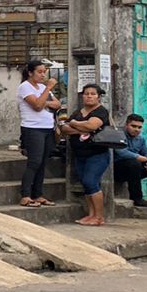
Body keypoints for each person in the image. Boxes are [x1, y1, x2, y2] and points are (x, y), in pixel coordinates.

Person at [56, 83, 112, 226]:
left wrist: (75, 124)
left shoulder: (101, 111)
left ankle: (99, 216)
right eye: (86, 94)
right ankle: (91, 214)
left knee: (90, 182)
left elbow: (92, 125)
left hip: (97, 154)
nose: (89, 96)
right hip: (80, 154)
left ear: (98, 97)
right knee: (86, 185)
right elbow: (64, 128)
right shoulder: (78, 112)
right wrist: (82, 129)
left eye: (93, 94)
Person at [16, 58, 64, 207]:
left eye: (44, 72)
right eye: (39, 72)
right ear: (30, 72)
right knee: (34, 161)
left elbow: (57, 104)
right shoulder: (25, 87)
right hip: (32, 128)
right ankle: (25, 195)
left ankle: (38, 194)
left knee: (43, 162)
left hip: (47, 128)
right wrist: (48, 89)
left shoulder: (42, 87)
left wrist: (45, 101)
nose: (43, 75)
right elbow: (37, 105)